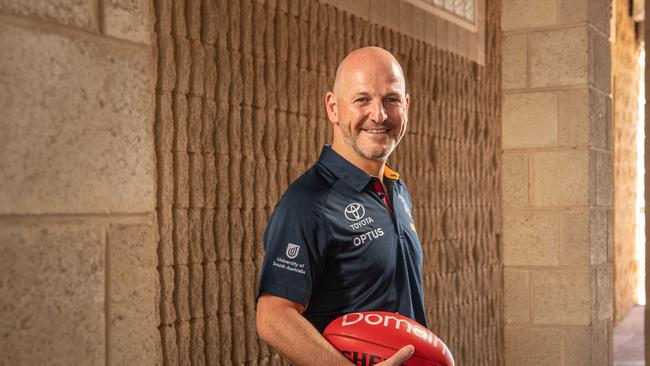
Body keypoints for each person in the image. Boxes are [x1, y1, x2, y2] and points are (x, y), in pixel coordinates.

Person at [256, 46, 426, 365]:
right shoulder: (308, 201)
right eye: (362, 99)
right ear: (333, 108)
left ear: (406, 105)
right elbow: (272, 317)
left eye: (391, 99)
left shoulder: (396, 189)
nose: (379, 115)